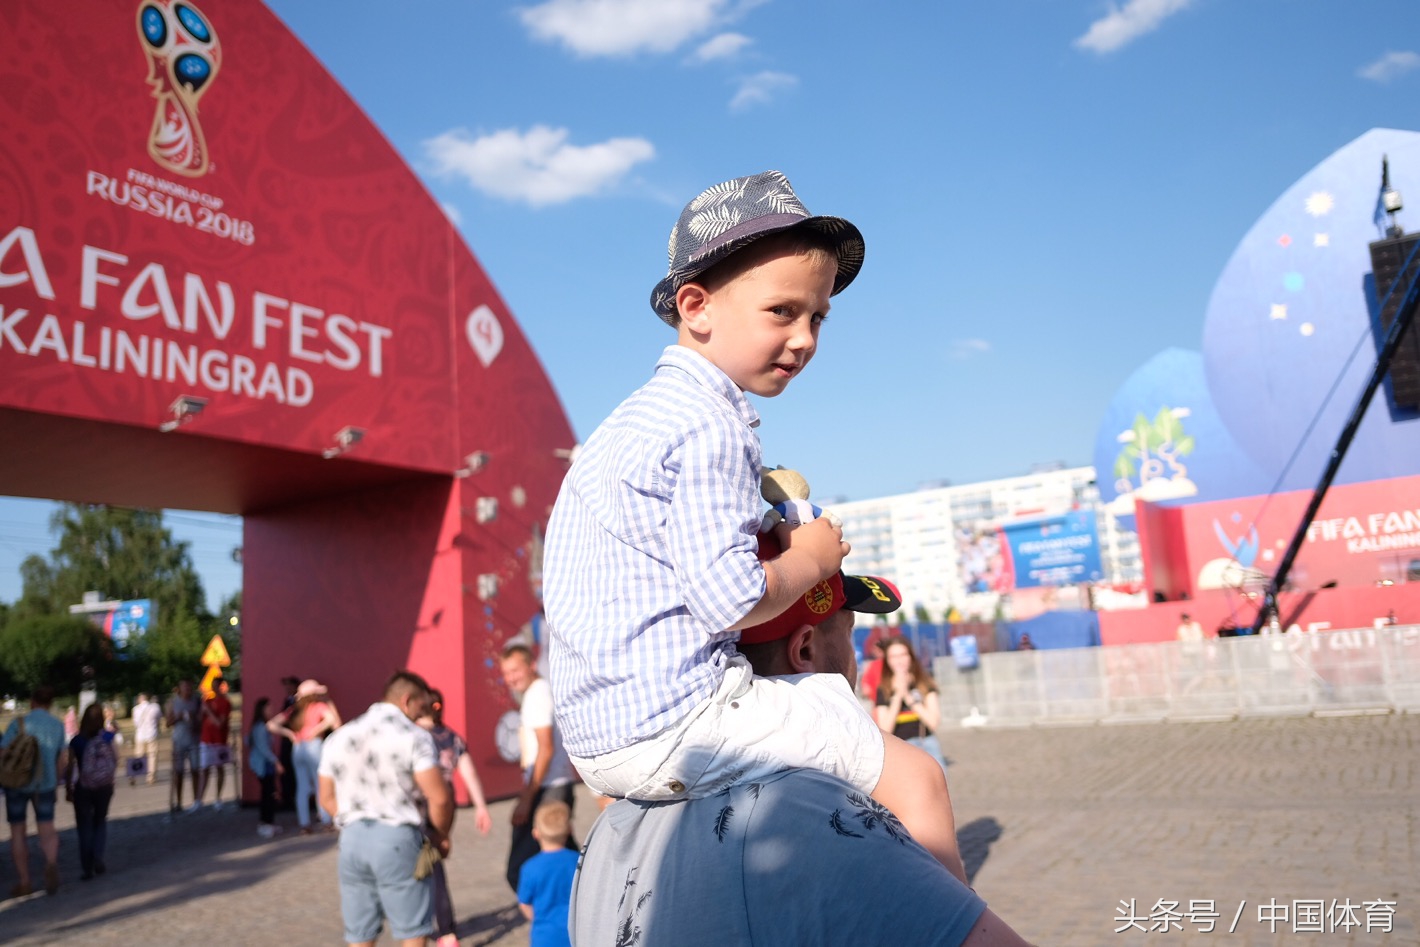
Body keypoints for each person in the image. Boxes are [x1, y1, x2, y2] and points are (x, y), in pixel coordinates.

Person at [541, 171, 956, 870]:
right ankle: (949, 918)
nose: (805, 338)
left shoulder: (628, 423)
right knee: (918, 776)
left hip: (595, 735)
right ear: (696, 306)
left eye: (818, 317)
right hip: (679, 721)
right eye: (782, 311)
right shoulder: (712, 424)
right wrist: (815, 557)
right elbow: (729, 596)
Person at [570, 556, 1029, 945]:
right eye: (847, 635)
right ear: (804, 649)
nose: (857, 659)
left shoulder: (606, 834)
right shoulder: (827, 822)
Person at [317, 670, 452, 947]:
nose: (424, 714)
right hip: (397, 838)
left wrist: (352, 821)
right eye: (423, 706)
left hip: (352, 840)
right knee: (412, 930)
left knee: (360, 934)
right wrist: (440, 836)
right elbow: (439, 797)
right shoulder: (414, 736)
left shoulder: (340, 735)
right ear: (407, 701)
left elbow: (326, 797)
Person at [416, 688, 493, 947]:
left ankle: (437, 928)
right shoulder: (451, 737)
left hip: (418, 806)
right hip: (446, 807)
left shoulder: (412, 736)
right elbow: (469, 773)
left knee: (421, 867)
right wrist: (480, 806)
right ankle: (443, 930)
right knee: (434, 863)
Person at [499, 644, 577, 891]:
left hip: (548, 790)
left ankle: (554, 914)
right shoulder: (537, 693)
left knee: (518, 868)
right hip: (551, 786)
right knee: (567, 857)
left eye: (515, 670)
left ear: (531, 665)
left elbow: (546, 749)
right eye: (506, 673)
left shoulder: (537, 696)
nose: (511, 678)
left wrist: (526, 798)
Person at [3, 685, 69, 897]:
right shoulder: (57, 725)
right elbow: (63, 758)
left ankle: (25, 881)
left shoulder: (19, 723)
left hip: (17, 783)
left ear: (32, 701)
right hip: (46, 784)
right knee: (47, 828)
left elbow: (3, 751)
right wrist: (57, 779)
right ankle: (50, 863)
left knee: (18, 832)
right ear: (50, 704)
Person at [271, 679, 341, 835]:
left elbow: (272, 724)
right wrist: (317, 730)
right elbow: (334, 721)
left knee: (302, 787)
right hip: (314, 745)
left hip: (298, 748)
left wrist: (290, 734)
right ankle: (326, 820)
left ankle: (305, 824)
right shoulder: (319, 706)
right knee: (320, 784)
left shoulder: (293, 710)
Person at [875, 636, 948, 774]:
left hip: (925, 743)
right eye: (893, 656)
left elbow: (933, 722)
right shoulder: (883, 689)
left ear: (911, 657)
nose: (899, 660)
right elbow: (885, 729)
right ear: (887, 660)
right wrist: (897, 695)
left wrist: (908, 697)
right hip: (899, 747)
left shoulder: (924, 683)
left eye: (903, 655)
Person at [64, 703, 117, 880]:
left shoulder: (76, 741)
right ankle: (98, 856)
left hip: (84, 787)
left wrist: (68, 788)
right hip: (104, 786)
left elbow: (70, 767)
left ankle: (87, 867)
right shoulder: (108, 737)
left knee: (84, 826)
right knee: (100, 821)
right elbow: (115, 760)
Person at [517, 800, 579, 947]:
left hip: (544, 936)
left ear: (535, 833)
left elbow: (524, 904)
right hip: (576, 932)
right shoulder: (579, 861)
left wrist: (538, 918)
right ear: (570, 829)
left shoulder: (530, 868)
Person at [246, 697, 283, 838]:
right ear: (262, 710)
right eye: (268, 708)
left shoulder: (261, 725)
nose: (271, 710)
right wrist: (276, 762)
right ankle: (264, 823)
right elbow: (263, 748)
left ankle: (270, 822)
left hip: (265, 766)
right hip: (263, 766)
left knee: (270, 793)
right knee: (268, 794)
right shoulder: (260, 727)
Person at [164, 678, 203, 814]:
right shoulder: (172, 702)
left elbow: (201, 720)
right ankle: (178, 802)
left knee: (195, 770)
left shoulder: (197, 701)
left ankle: (196, 801)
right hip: (178, 741)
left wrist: (195, 720)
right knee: (178, 772)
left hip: (194, 740)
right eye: (184, 687)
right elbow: (167, 723)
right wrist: (178, 717)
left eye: (189, 687)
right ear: (179, 688)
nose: (187, 690)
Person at [197, 677, 233, 809]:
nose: (215, 688)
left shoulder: (225, 702)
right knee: (204, 769)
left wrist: (208, 710)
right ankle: (199, 799)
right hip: (206, 740)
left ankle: (218, 798)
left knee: (219, 768)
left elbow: (220, 723)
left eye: (217, 685)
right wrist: (202, 710)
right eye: (213, 685)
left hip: (219, 741)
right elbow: (200, 719)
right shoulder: (208, 700)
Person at [278, 675, 300, 810]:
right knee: (286, 769)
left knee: (294, 771)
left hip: (296, 740)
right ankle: (288, 797)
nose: (287, 688)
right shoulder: (288, 701)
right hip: (287, 741)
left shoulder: (299, 702)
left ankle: (294, 798)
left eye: (289, 685)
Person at [130, 693, 161, 786]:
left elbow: (135, 724)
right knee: (152, 756)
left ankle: (133, 775)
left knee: (138, 756)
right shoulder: (155, 707)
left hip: (140, 735)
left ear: (139, 699)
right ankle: (150, 777)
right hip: (152, 733)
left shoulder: (135, 709)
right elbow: (158, 719)